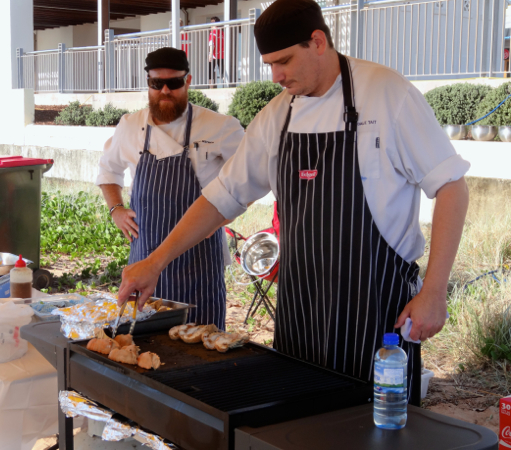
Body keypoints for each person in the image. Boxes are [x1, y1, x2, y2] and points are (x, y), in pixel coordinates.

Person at [117, 0, 470, 405]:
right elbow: (222, 197)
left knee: (373, 428)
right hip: (300, 306)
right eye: (269, 64)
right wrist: (155, 260)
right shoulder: (276, 116)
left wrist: (435, 291)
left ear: (318, 42)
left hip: (376, 309)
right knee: (299, 423)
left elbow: (451, 187)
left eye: (284, 61)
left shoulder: (387, 94)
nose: (276, 75)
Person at [96, 47, 244, 329]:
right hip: (143, 255)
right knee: (144, 342)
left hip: (198, 263)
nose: (165, 91)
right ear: (148, 83)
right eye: (156, 84)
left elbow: (246, 181)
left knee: (200, 344)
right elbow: (108, 170)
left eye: (174, 83)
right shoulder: (129, 126)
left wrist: (220, 220)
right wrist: (116, 208)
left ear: (188, 81)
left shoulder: (220, 127)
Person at [208, 17, 224, 87]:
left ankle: (211, 87)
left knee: (210, 72)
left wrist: (210, 54)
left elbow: (212, 43)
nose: (211, 25)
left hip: (214, 55)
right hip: (222, 55)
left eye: (212, 23)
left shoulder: (213, 32)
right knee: (222, 72)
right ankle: (224, 86)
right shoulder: (222, 32)